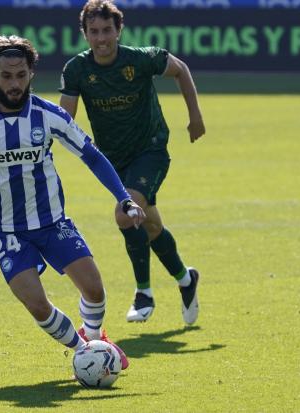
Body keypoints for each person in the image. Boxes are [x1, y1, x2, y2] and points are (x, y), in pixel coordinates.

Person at [0, 34, 146, 370]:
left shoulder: (48, 115)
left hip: (52, 222)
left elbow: (92, 156)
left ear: (31, 74)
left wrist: (124, 198)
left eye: (21, 75)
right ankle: (88, 351)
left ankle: (95, 337)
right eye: (6, 76)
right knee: (38, 306)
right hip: (4, 230)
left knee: (95, 290)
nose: (14, 83)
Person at [59, 0, 205, 324]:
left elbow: (180, 69)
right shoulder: (77, 70)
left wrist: (195, 116)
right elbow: (65, 117)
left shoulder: (141, 59)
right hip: (113, 162)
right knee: (150, 225)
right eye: (94, 31)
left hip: (151, 150)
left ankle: (144, 294)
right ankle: (185, 279)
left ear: (119, 30)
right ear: (84, 34)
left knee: (126, 216)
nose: (101, 38)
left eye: (107, 30)